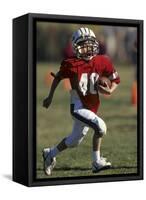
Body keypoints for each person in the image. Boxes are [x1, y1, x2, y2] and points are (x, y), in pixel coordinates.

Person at [42, 27, 120, 176]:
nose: (88, 48)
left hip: (91, 106)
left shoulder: (103, 60)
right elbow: (58, 77)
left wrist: (110, 90)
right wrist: (50, 96)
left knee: (74, 141)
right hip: (78, 106)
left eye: (90, 44)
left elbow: (115, 78)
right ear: (76, 47)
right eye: (83, 45)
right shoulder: (71, 64)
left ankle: (49, 154)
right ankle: (96, 162)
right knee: (101, 127)